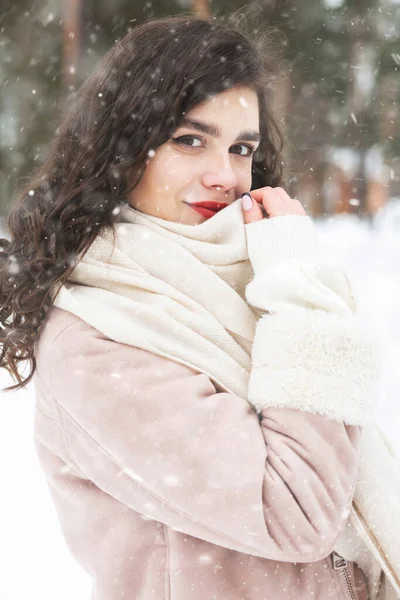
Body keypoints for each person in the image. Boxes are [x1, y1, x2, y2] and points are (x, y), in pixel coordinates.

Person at [1, 13, 399, 600]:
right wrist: (300, 294)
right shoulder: (96, 340)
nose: (226, 175)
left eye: (242, 148)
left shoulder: (244, 280)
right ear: (124, 147)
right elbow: (294, 513)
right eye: (190, 140)